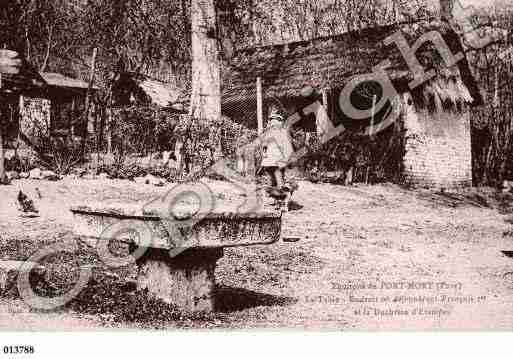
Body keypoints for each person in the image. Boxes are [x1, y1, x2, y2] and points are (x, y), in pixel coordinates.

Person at [260, 107, 294, 194]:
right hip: (269, 161)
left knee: (279, 180)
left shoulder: (283, 133)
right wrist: (264, 153)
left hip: (278, 161)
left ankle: (282, 199)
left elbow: (288, 148)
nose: (272, 123)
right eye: (271, 121)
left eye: (274, 121)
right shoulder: (268, 133)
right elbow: (264, 145)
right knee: (270, 181)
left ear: (280, 122)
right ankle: (276, 199)